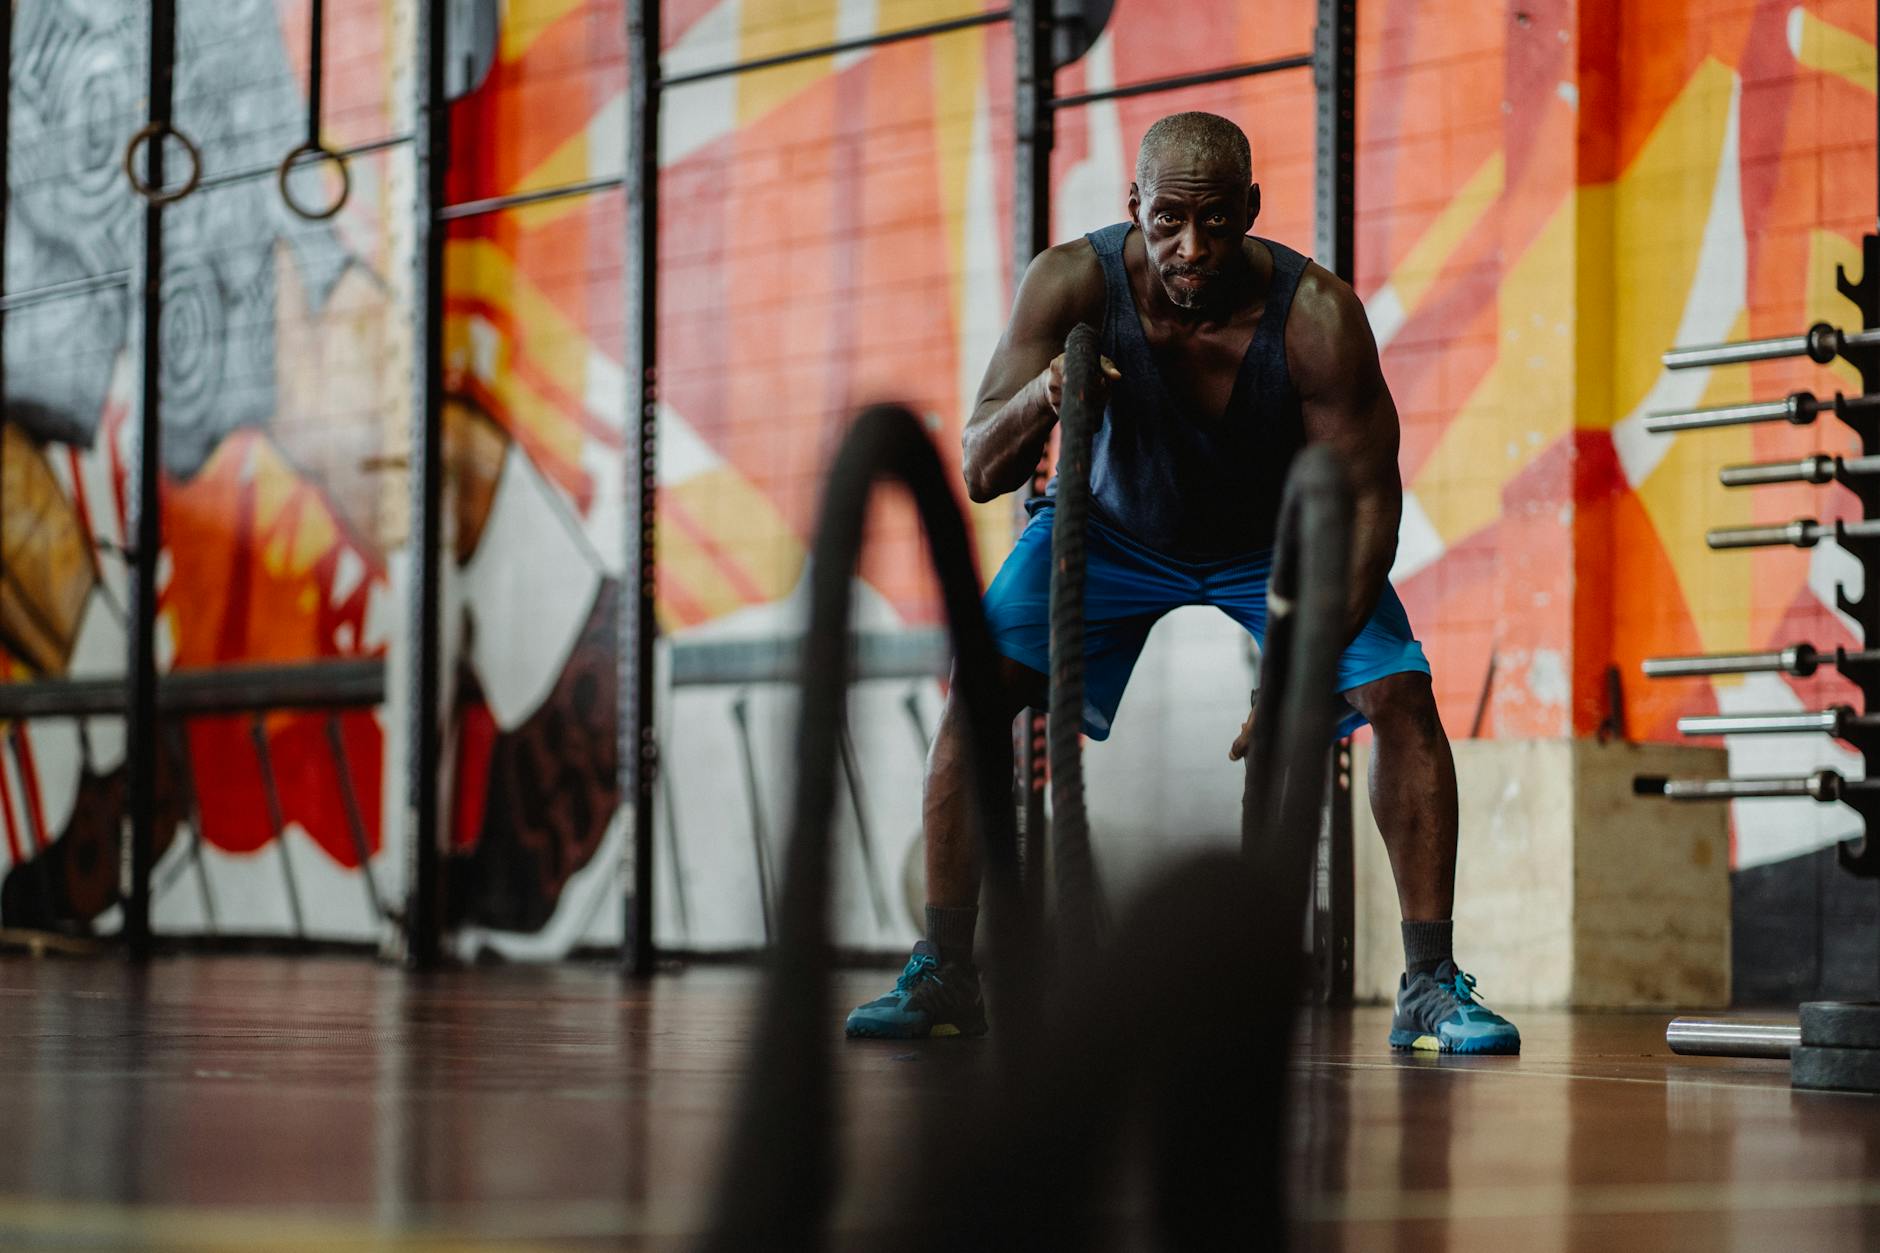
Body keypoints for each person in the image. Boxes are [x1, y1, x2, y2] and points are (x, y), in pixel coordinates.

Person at [845, 112, 1519, 1055]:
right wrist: (1047, 393)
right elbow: (979, 468)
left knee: (1401, 695)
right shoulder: (1071, 283)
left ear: (1251, 210)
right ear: (1134, 206)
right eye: (1167, 221)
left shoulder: (1317, 317)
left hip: (1270, 546)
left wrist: (1299, 667)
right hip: (1110, 531)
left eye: (1213, 222)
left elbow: (1367, 509)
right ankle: (947, 969)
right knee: (975, 689)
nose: (1189, 248)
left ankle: (1429, 983)